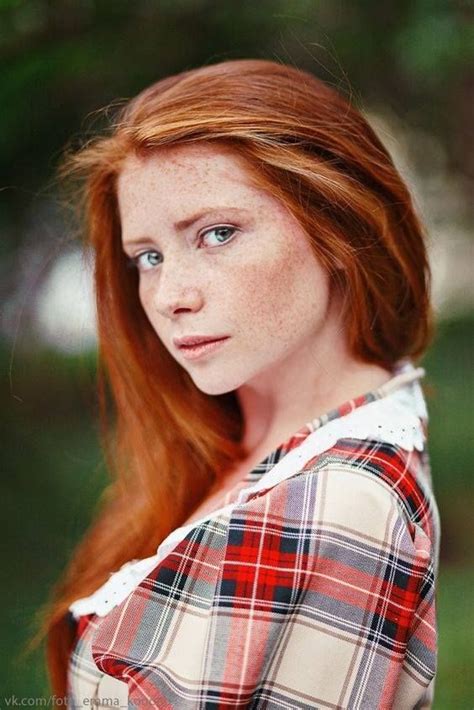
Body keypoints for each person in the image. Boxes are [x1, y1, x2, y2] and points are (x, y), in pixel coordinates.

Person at [44, 59, 440, 708]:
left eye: (217, 233)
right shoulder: (235, 438)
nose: (170, 295)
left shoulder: (338, 502)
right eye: (148, 256)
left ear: (335, 226)